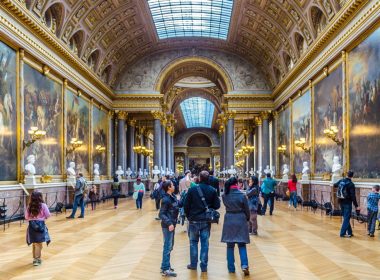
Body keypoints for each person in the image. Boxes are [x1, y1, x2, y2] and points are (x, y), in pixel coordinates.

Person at [183, 170, 220, 272]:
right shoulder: (212, 190)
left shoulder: (192, 189)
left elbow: (186, 205)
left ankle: (193, 264)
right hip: (206, 221)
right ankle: (203, 266)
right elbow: (217, 205)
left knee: (193, 243)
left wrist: (188, 216)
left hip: (193, 220)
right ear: (208, 178)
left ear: (199, 178)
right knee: (205, 243)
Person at [221, 177, 250, 275]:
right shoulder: (242, 195)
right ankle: (244, 265)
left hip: (229, 219)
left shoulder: (224, 195)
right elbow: (247, 209)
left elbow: (226, 205)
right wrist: (247, 218)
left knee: (230, 246)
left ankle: (231, 268)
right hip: (240, 219)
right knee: (242, 244)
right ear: (236, 183)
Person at [159, 180, 181, 277]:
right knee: (167, 247)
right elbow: (161, 214)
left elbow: (178, 205)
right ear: (169, 187)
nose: (174, 186)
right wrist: (169, 223)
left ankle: (165, 265)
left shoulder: (172, 197)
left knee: (170, 246)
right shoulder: (166, 199)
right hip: (168, 226)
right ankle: (165, 269)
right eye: (172, 185)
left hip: (172, 224)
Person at [25, 191, 51, 266]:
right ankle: (37, 259)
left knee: (34, 243)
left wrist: (32, 218)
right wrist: (43, 218)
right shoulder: (43, 205)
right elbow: (48, 215)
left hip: (31, 226)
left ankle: (35, 258)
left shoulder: (29, 206)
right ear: (40, 197)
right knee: (39, 243)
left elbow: (26, 217)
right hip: (40, 225)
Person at [334, 170, 360, 237]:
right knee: (346, 218)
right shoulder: (351, 184)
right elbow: (353, 196)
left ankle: (350, 232)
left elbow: (334, 185)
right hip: (347, 203)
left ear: (346, 175)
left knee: (345, 217)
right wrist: (356, 206)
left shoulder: (341, 181)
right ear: (352, 176)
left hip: (340, 201)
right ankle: (342, 233)